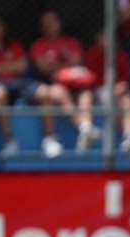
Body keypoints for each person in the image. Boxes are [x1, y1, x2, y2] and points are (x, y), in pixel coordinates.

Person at [0, 16, 61, 157]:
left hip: (20, 82)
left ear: (3, 29)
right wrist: (10, 67)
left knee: (45, 93)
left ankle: (50, 139)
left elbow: (22, 67)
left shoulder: (14, 46)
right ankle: (9, 140)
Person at [29, 11, 98, 157]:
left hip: (74, 84)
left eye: (53, 21)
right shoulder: (38, 45)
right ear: (41, 27)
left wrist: (57, 68)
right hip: (48, 85)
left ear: (60, 23)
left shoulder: (72, 43)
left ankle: (86, 130)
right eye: (46, 23)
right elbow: (44, 69)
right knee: (58, 91)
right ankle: (83, 129)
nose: (50, 25)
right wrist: (66, 67)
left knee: (86, 93)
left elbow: (76, 61)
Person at [79, 31, 130, 153]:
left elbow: (124, 81)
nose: (105, 41)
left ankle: (129, 136)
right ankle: (87, 130)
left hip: (114, 92)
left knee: (128, 97)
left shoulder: (121, 56)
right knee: (85, 94)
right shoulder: (91, 54)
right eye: (102, 37)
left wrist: (118, 88)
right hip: (95, 89)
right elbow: (87, 77)